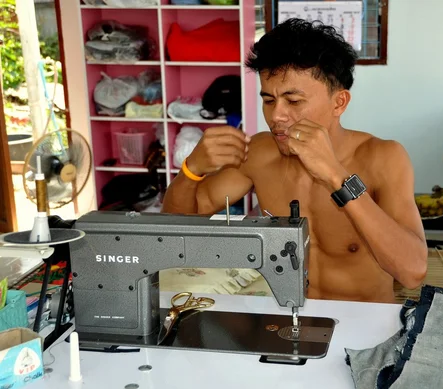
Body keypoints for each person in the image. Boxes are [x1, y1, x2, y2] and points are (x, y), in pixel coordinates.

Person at [162, 18, 428, 303]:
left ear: (339, 103)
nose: (277, 116)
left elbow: (412, 272)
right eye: (268, 100)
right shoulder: (261, 153)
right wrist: (192, 169)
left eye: (294, 101)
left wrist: (336, 177)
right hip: (284, 318)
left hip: (363, 326)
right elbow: (177, 225)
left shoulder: (383, 157)